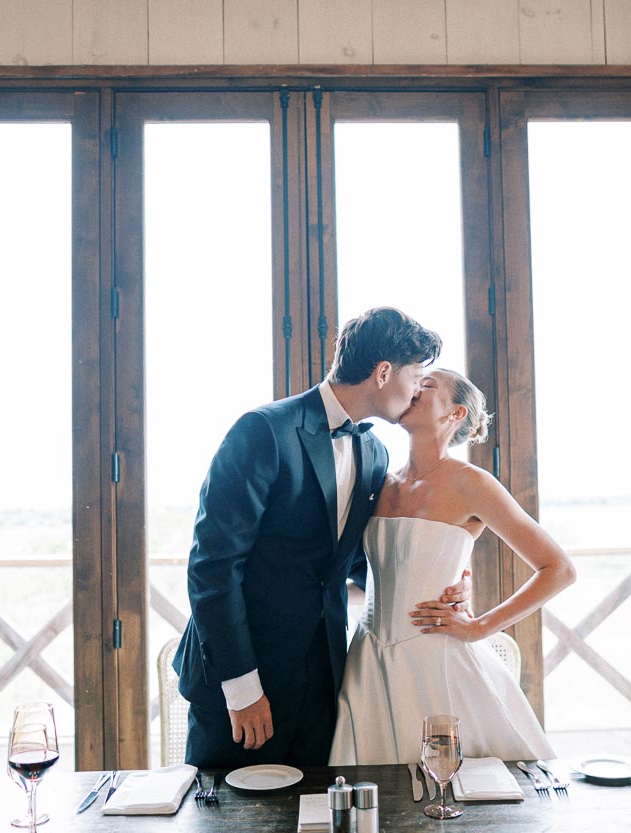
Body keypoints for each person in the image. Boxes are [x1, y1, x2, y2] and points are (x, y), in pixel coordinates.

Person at [173, 308, 470, 768]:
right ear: (383, 372)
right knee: (229, 831)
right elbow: (212, 568)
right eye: (415, 376)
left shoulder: (374, 452)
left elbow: (354, 559)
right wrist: (242, 688)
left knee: (319, 828)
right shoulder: (263, 431)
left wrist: (438, 584)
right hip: (244, 683)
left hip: (329, 680)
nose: (416, 389)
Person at [329, 368, 577, 765]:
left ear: (456, 414)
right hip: (369, 661)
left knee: (459, 790)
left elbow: (559, 569)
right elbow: (372, 570)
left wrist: (478, 627)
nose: (413, 389)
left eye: (426, 386)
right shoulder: (381, 481)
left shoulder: (472, 484)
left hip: (436, 660)